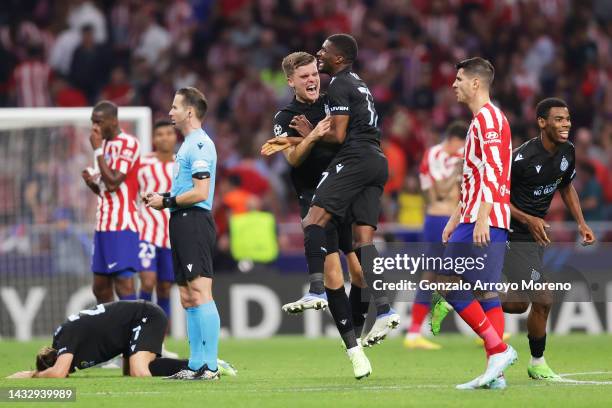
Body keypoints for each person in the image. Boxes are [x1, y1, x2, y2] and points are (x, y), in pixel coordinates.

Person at [298, 34, 399, 379]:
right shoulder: (359, 83)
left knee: (313, 218)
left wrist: (308, 134)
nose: (319, 54)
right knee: (363, 242)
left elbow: (339, 135)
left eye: (324, 51)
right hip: (378, 160)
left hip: (355, 158)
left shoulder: (340, 84)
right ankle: (384, 310)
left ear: (339, 58)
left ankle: (316, 291)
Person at [267, 52, 373, 343]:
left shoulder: (334, 102)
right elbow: (293, 159)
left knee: (362, 275)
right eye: (304, 76)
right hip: (314, 198)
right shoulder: (285, 117)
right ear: (291, 82)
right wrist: (312, 136)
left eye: (314, 73)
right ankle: (352, 348)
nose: (312, 79)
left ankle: (356, 334)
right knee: (334, 275)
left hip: (344, 190)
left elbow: (351, 142)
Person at [429, 57, 516, 389]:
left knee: (446, 282)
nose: (454, 84)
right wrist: (454, 217)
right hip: (478, 214)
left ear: (476, 83)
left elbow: (494, 171)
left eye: (459, 79)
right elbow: (472, 178)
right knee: (485, 292)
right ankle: (497, 375)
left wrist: (481, 217)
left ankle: (499, 349)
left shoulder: (488, 119)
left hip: (485, 217)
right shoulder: (483, 120)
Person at [501, 97, 595, 380]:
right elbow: (495, 199)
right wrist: (528, 219)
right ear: (542, 122)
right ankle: (537, 362)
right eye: (558, 119)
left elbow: (566, 187)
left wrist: (581, 222)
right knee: (543, 297)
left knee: (517, 305)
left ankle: (465, 293)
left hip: (535, 235)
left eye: (567, 119)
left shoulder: (568, 151)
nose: (565, 124)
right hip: (511, 232)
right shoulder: (521, 159)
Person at [144, 87, 220, 381]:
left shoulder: (200, 145)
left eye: (175, 107)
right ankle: (195, 365)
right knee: (188, 297)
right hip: (181, 220)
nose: (170, 111)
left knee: (200, 292)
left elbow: (200, 192)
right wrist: (164, 197)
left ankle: (210, 366)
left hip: (194, 222)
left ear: (189, 112)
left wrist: (168, 201)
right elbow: (185, 191)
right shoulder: (188, 144)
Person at [6, 301, 236, 379]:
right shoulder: (68, 340)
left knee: (139, 371)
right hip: (130, 328)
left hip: (144, 316)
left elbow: (58, 372)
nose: (69, 372)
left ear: (55, 357)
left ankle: (211, 365)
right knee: (137, 369)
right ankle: (201, 365)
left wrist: (33, 376)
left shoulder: (64, 336)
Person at [403, 121, 466, 350]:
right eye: (463, 142)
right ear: (454, 139)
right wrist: (457, 172)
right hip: (439, 220)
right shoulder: (435, 154)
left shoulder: (459, 155)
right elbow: (438, 194)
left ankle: (415, 331)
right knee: (434, 276)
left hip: (455, 220)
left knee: (455, 274)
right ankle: (415, 331)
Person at [81, 101, 140, 303]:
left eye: (98, 122)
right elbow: (105, 189)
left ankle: (134, 331)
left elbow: (114, 182)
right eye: (92, 122)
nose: (94, 127)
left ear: (113, 121)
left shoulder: (129, 144)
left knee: (124, 284)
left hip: (122, 223)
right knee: (100, 287)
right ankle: (111, 332)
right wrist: (91, 183)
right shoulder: (103, 145)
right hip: (103, 224)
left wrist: (97, 151)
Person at [137, 119, 178, 358]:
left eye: (168, 133)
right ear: (154, 138)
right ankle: (139, 339)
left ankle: (158, 343)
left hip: (171, 234)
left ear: (175, 137)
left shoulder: (181, 164)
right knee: (148, 282)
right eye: (159, 134)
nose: (164, 138)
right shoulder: (143, 163)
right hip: (146, 232)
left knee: (164, 287)